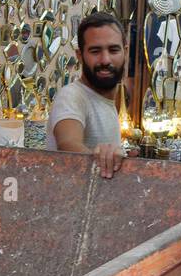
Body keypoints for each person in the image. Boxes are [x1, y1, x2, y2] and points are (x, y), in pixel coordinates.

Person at [46, 13, 127, 179]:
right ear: (80, 55)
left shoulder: (105, 99)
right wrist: (103, 158)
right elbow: (68, 144)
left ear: (125, 52)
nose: (105, 60)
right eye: (95, 51)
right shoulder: (71, 96)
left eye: (113, 50)